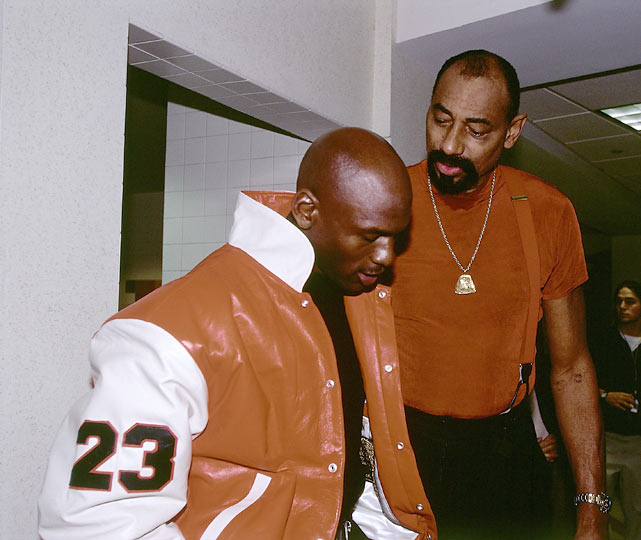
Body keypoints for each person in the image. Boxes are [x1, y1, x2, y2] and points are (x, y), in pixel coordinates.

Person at [38, 127, 435, 540]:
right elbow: (94, 526)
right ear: (307, 211)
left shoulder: (357, 296)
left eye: (395, 236)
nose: (387, 256)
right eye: (370, 236)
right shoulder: (165, 335)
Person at [391, 50, 608, 539]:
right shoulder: (387, 199)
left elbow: (572, 368)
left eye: (476, 130)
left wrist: (592, 506)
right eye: (441, 120)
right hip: (400, 446)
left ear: (512, 132)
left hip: (504, 453)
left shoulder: (547, 211)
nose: (449, 145)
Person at [592, 280, 641, 540]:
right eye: (619, 301)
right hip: (608, 438)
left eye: (630, 301)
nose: (622, 307)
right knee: (603, 507)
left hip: (638, 442)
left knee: (637, 510)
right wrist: (605, 395)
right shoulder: (604, 340)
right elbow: (583, 381)